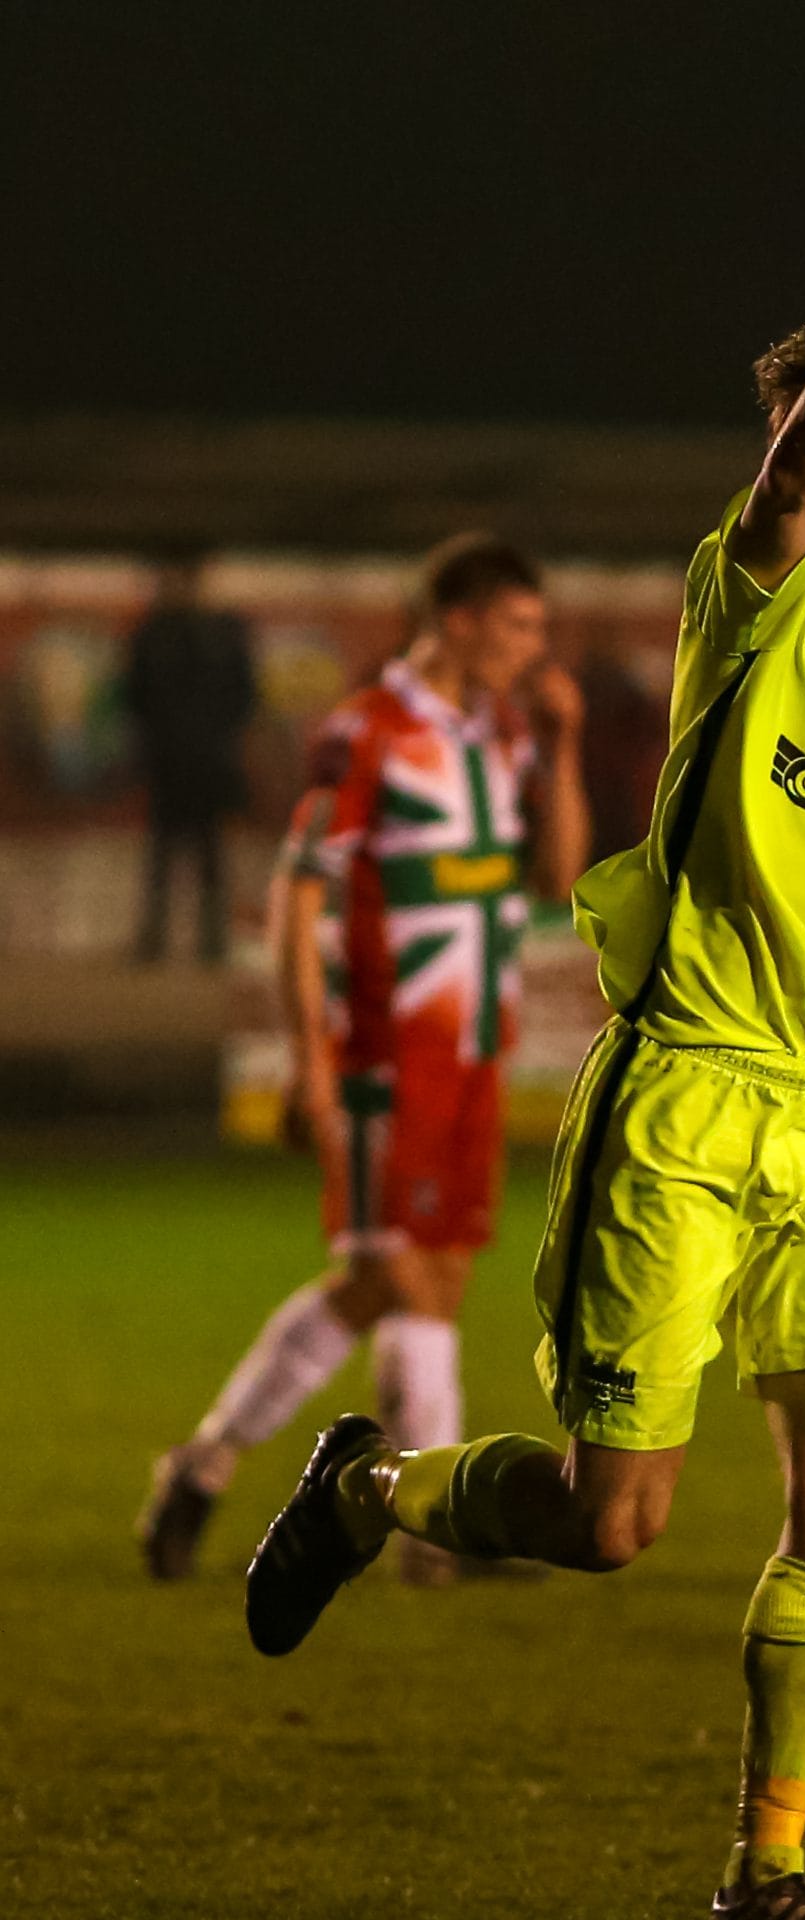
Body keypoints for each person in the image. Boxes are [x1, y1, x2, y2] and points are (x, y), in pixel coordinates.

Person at [244, 146, 805, 1920]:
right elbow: (791, 472)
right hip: (684, 1099)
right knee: (613, 1524)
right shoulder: (765, 588)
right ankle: (363, 1487)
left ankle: (764, 1869)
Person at [139, 536, 590, 1582]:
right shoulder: (365, 732)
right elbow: (300, 897)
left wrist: (562, 745)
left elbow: (557, 873)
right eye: (520, 626)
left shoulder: (506, 729)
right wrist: (304, 1059)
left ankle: (218, 1468)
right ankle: (425, 1524)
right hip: (385, 1052)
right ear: (460, 620)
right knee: (397, 1274)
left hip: (477, 1049)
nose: (534, 648)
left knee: (408, 1280)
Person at [124, 552, 258, 964]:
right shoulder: (154, 634)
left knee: (207, 853)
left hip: (206, 762)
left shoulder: (218, 633)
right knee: (165, 853)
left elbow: (245, 697)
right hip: (173, 761)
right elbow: (134, 698)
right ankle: (157, 938)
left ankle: (210, 939)